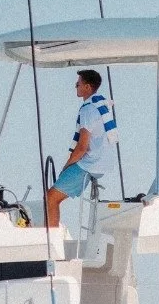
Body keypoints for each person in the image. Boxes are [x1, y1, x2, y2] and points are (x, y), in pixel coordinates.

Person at [45, 69, 118, 227]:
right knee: (53, 196)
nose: (76, 86)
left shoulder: (88, 110)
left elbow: (82, 147)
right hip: (103, 162)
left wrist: (67, 165)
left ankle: (51, 239)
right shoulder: (101, 104)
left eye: (78, 83)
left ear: (87, 87)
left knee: (51, 197)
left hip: (90, 163)